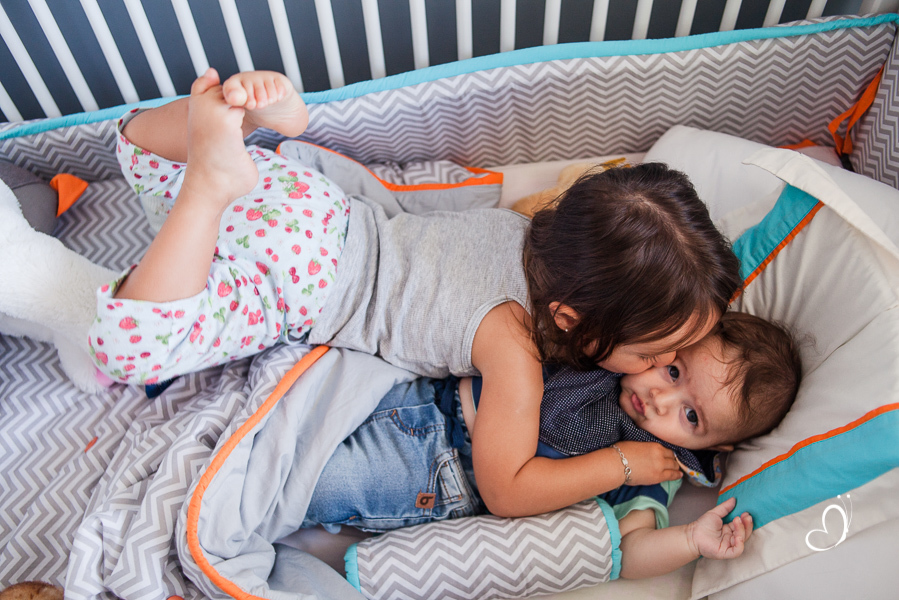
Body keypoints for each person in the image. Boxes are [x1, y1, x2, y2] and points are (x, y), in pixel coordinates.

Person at [88, 69, 743, 518]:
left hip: (305, 202)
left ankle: (245, 125)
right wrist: (622, 464)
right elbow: (507, 487)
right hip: (299, 283)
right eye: (657, 353)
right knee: (128, 349)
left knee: (140, 153)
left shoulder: (525, 223)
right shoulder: (512, 346)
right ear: (572, 320)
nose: (658, 371)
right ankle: (207, 190)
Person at [302, 311, 802, 579]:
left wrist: (691, 541)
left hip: (438, 472)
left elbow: (631, 553)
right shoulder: (618, 349)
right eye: (673, 371)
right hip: (423, 388)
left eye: (691, 416)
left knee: (316, 483)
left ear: (712, 448)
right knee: (296, 399)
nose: (659, 398)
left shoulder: (655, 464)